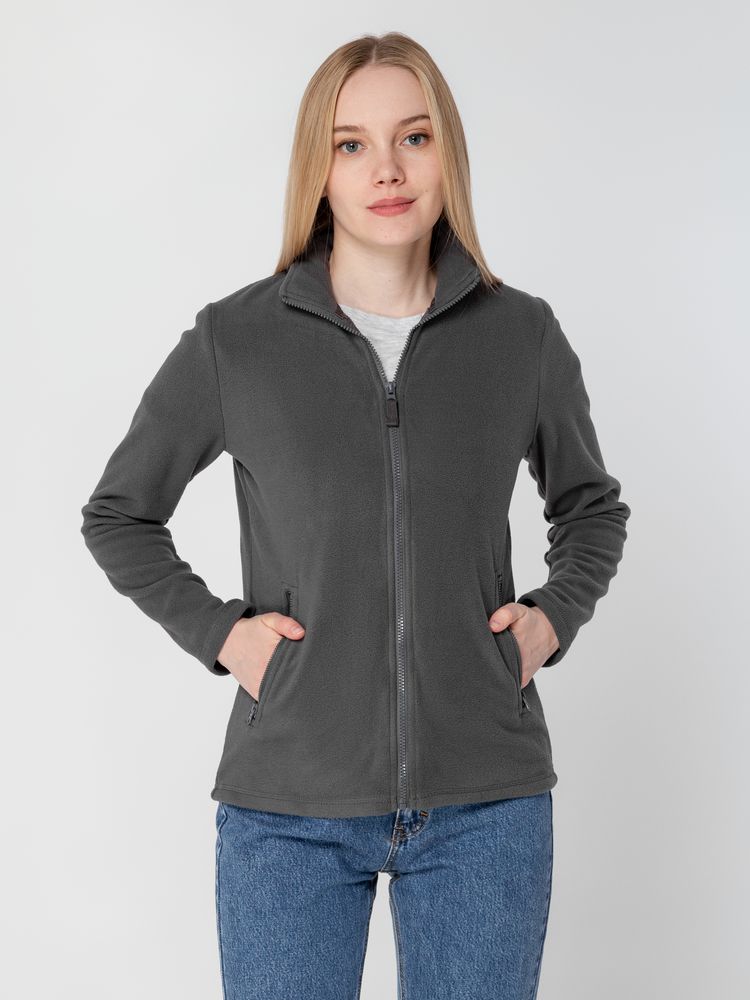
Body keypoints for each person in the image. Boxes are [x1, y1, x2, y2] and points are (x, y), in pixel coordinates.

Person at [81, 31, 630, 1000]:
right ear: (319, 170)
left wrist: (554, 616)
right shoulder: (236, 340)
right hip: (288, 804)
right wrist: (224, 636)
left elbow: (591, 507)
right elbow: (119, 513)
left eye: (414, 137)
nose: (387, 169)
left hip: (485, 802)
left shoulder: (521, 335)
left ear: (447, 153)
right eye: (351, 144)